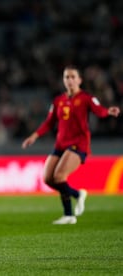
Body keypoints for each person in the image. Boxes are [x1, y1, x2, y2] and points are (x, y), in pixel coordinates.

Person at [22, 65, 120, 225]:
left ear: (80, 80)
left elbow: (98, 109)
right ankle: (76, 198)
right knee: (48, 178)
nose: (70, 80)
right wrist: (34, 136)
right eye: (67, 77)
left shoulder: (86, 98)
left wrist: (108, 111)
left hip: (78, 144)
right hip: (60, 144)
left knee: (59, 176)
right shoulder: (58, 100)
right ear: (63, 80)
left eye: (73, 77)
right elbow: (49, 122)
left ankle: (69, 212)